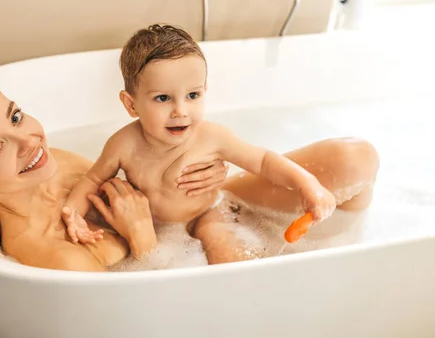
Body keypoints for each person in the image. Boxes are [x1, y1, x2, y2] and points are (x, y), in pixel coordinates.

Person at [62, 24, 380, 264]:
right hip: (157, 229)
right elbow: (92, 179)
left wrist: (307, 184)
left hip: (211, 212)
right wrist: (73, 214)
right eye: (162, 98)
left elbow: (264, 162)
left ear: (204, 90)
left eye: (193, 95)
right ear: (131, 105)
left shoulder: (211, 136)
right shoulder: (123, 144)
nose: (180, 111)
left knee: (229, 252)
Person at [0, 73, 229, 271]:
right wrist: (142, 240)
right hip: (192, 277)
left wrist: (205, 171)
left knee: (277, 169)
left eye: (15, 117)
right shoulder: (54, 255)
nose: (29, 141)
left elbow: (148, 183)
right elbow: (147, 316)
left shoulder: (53, 166)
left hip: (202, 225)